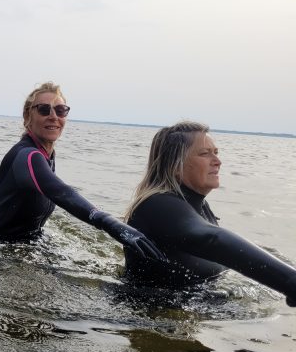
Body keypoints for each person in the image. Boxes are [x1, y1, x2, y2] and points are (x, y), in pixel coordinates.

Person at [0, 82, 165, 262]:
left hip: (26, 244)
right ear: (27, 116)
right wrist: (109, 222)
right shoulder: (27, 155)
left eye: (60, 110)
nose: (53, 116)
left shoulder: (46, 154)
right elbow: (60, 191)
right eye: (44, 110)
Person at [123, 121, 296, 306]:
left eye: (216, 152)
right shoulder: (158, 205)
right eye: (205, 154)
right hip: (152, 319)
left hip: (188, 315)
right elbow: (212, 239)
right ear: (175, 165)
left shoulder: (199, 207)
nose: (217, 161)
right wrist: (289, 281)